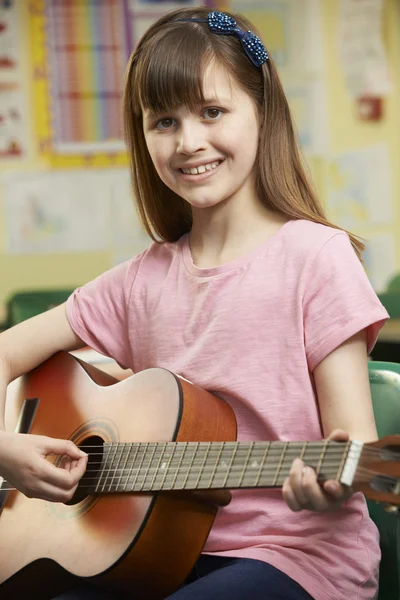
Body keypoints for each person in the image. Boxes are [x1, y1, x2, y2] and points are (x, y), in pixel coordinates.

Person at [0, 8, 389, 600]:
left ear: (263, 110)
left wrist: (332, 483)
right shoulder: (140, 282)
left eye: (212, 111)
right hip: (148, 554)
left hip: (297, 560)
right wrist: (6, 451)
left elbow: (355, 449)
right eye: (164, 121)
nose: (189, 142)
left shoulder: (317, 258)